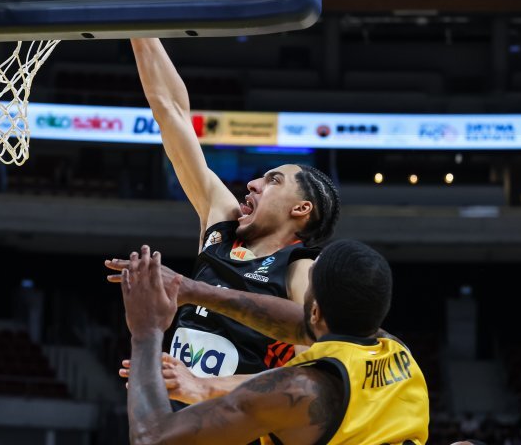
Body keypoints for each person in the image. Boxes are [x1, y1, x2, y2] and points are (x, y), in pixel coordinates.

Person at [106, 38, 340, 386]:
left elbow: (311, 377)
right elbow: (171, 111)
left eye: (273, 181)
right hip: (178, 422)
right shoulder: (222, 225)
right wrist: (139, 28)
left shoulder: (301, 267)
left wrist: (203, 387)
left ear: (302, 208)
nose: (253, 185)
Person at [119, 241, 429, 445]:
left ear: (317, 310)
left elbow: (152, 437)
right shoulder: (399, 353)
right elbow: (301, 324)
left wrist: (146, 331)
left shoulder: (301, 390)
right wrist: (195, 291)